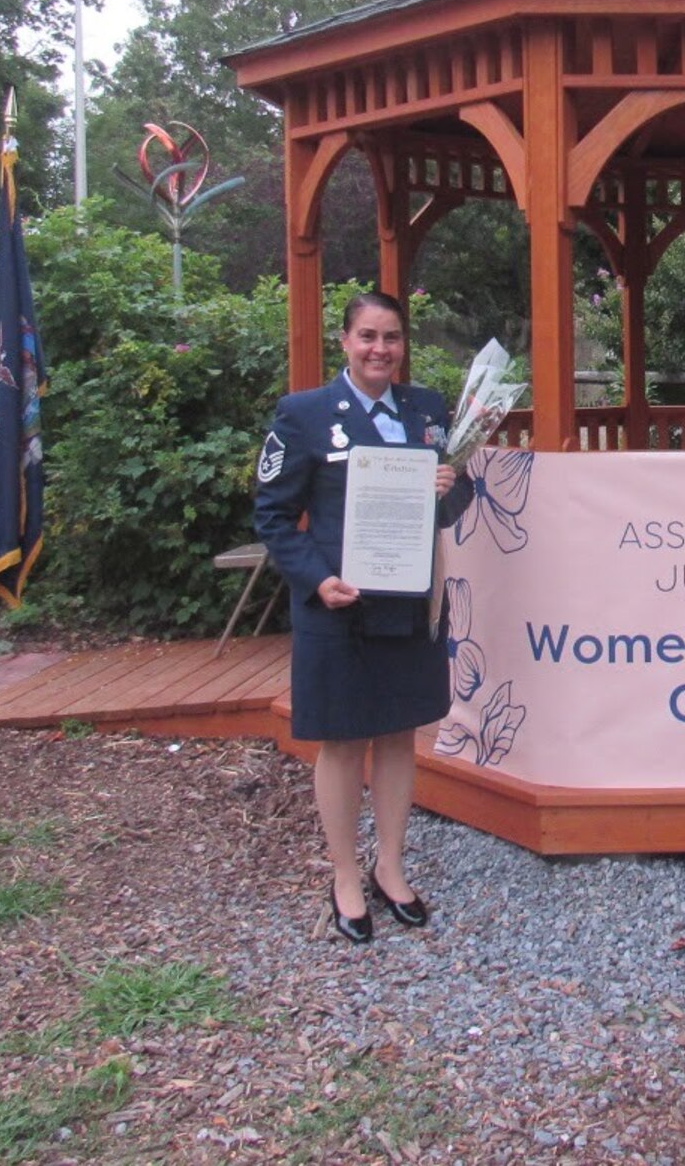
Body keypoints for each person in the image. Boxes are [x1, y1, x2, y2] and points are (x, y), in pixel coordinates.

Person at [254, 292, 472, 943]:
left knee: (400, 734)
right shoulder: (304, 414)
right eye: (369, 336)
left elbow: (454, 503)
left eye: (393, 337)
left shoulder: (428, 409)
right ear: (344, 340)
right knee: (344, 739)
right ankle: (346, 873)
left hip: (406, 604)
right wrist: (318, 578)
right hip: (338, 606)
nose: (382, 349)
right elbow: (271, 515)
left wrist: (448, 487)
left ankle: (392, 867)